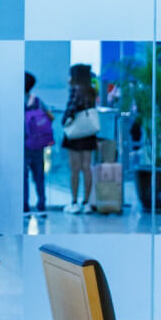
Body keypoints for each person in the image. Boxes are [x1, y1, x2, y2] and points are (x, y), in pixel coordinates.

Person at [61, 63, 98, 214]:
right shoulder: (91, 91)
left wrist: (63, 121)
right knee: (86, 167)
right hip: (88, 133)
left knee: (75, 169)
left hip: (76, 134)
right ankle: (87, 203)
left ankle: (74, 202)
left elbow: (71, 110)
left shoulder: (75, 90)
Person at [24, 71, 53, 215]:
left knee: (23, 176)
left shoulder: (15, 100)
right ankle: (41, 203)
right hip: (38, 143)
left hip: (22, 143)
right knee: (39, 175)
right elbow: (50, 117)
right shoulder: (36, 100)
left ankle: (24, 205)